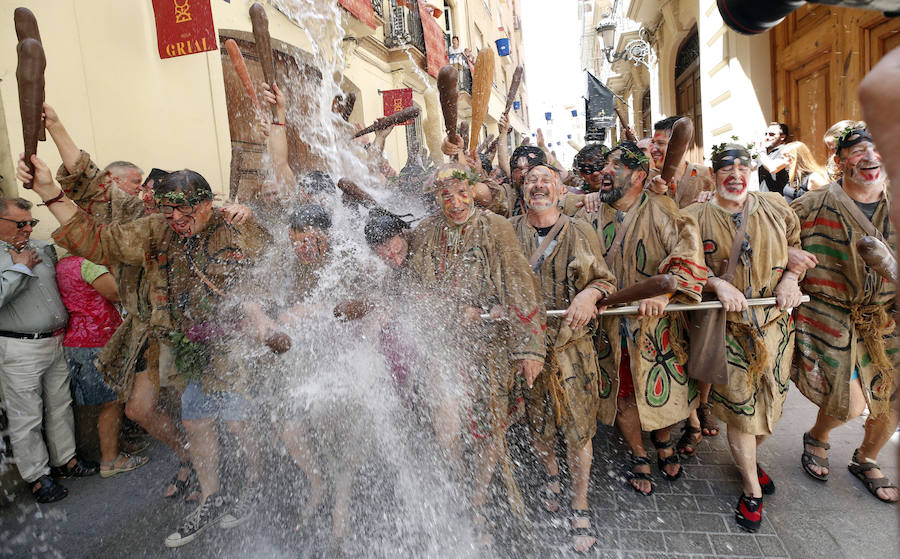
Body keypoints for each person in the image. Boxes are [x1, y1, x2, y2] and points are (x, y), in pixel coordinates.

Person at [17, 154, 273, 546]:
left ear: (206, 205)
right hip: (190, 346)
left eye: (184, 213)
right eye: (169, 213)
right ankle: (212, 497)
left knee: (239, 422)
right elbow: (101, 242)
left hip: (235, 345)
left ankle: (257, 480)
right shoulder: (157, 229)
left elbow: (266, 259)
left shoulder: (232, 224)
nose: (176, 222)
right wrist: (49, 190)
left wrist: (252, 217)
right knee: (196, 422)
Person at [43, 104, 196, 499]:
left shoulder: (182, 217)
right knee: (138, 409)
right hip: (147, 328)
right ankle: (190, 457)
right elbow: (91, 185)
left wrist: (239, 210)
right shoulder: (128, 210)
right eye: (139, 183)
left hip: (188, 325)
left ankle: (211, 473)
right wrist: (57, 127)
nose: (145, 189)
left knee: (198, 407)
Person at [406, 162, 545, 544]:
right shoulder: (424, 232)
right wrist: (454, 312)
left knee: (489, 429)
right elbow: (415, 292)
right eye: (445, 195)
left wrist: (529, 347)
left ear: (473, 192)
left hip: (489, 349)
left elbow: (519, 285)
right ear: (436, 197)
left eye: (461, 193)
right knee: (446, 428)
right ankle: (456, 488)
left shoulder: (495, 228)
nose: (454, 202)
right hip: (444, 347)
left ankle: (479, 498)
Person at [684, 143, 804, 532]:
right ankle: (751, 487)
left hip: (775, 328)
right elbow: (681, 267)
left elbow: (795, 249)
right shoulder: (694, 215)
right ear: (713, 174)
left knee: (772, 405)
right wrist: (717, 283)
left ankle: (747, 458)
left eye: (742, 167)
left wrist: (790, 278)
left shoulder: (775, 206)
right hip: (729, 331)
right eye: (725, 168)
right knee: (741, 408)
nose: (735, 174)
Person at [575, 141, 707, 495]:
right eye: (604, 165)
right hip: (608, 327)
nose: (604, 171)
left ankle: (663, 440)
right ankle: (638, 453)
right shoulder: (587, 213)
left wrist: (664, 294)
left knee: (660, 390)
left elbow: (687, 255)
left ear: (638, 176)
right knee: (622, 394)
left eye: (613, 165)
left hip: (655, 327)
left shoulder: (664, 210)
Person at [509, 163, 615, 552]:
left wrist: (589, 295)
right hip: (527, 348)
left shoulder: (578, 229)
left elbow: (605, 279)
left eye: (545, 180)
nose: (538, 185)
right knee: (538, 425)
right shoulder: (509, 231)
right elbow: (495, 280)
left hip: (572, 350)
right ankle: (551, 475)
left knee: (578, 429)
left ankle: (580, 502)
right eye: (530, 180)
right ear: (522, 192)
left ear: (559, 189)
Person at [790, 125, 899, 504]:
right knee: (850, 402)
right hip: (830, 311)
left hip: (886, 315)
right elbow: (771, 235)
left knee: (894, 398)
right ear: (839, 161)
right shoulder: (812, 204)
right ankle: (818, 436)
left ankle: (866, 457)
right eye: (858, 150)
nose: (870, 157)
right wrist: (789, 256)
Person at [0, 197, 97, 503]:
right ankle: (38, 477)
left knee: (60, 404)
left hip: (56, 340)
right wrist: (20, 269)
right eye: (20, 223)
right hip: (18, 346)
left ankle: (66, 460)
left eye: (31, 223)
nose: (27, 229)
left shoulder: (42, 248)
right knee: (26, 416)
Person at [56, 254, 149, 478]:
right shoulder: (89, 265)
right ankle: (110, 460)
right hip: (97, 340)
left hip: (76, 341)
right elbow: (117, 294)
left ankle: (118, 446)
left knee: (107, 402)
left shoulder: (63, 263)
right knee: (112, 402)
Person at [648, 116, 713, 207]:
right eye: (653, 143)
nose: (653, 149)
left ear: (682, 145)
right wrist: (649, 191)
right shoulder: (647, 177)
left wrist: (712, 197)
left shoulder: (707, 175)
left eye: (661, 143)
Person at [757, 122, 790, 195]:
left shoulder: (787, 150)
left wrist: (760, 151)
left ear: (782, 137)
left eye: (771, 134)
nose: (767, 137)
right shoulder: (764, 154)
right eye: (766, 134)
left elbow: (772, 168)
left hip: (780, 201)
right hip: (765, 200)